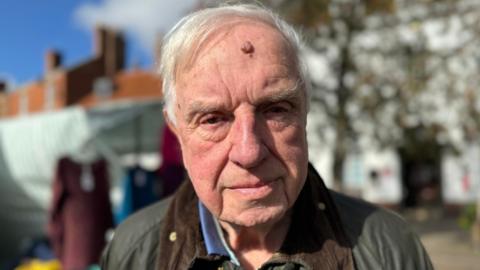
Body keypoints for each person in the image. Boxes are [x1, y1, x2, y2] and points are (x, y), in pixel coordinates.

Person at [101, 3, 433, 270]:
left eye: (275, 110)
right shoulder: (134, 249)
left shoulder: (388, 247)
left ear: (304, 115)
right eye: (213, 119)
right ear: (176, 131)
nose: (249, 151)